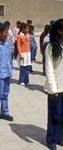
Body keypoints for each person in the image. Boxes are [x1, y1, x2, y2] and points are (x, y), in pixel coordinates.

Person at [45, 19, 63, 150]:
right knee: (54, 115)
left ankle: (60, 138)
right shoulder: (51, 47)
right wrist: (52, 89)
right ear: (60, 31)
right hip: (55, 88)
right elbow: (49, 69)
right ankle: (51, 139)